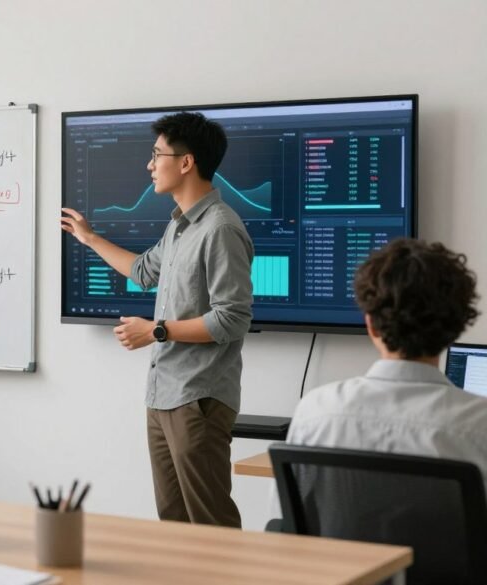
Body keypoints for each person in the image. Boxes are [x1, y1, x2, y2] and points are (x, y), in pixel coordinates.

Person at [60, 112, 253, 528]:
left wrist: (157, 331)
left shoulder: (219, 229)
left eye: (156, 155)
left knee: (211, 524)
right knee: (174, 523)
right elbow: (144, 271)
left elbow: (232, 319)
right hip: (163, 394)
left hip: (198, 399)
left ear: (186, 162)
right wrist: (89, 238)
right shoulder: (179, 227)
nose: (149, 165)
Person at [286, 238, 487, 485]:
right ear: (456, 328)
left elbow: (284, 521)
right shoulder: (479, 426)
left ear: (371, 325)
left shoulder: (315, 413)